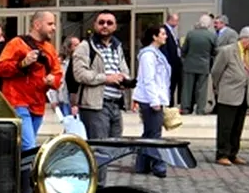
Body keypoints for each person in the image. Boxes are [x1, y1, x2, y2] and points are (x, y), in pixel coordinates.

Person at [0, 11, 62, 150]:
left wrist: (52, 80)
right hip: (17, 101)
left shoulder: (50, 49)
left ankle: (16, 170)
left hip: (37, 104)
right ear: (37, 25)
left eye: (54, 24)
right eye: (50, 24)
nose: (54, 28)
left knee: (21, 147)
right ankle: (26, 171)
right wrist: (22, 64)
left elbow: (58, 74)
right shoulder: (16, 43)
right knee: (28, 146)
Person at [71, 10, 131, 139]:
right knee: (100, 149)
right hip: (95, 106)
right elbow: (80, 74)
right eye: (101, 22)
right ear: (94, 25)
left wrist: (123, 80)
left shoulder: (117, 47)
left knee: (115, 149)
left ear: (115, 27)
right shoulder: (85, 46)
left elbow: (125, 70)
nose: (105, 25)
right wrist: (107, 78)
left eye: (109, 23)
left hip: (116, 104)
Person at [211, 27, 249, 166]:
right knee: (226, 127)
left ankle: (233, 153)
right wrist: (218, 89)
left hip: (244, 94)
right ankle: (222, 154)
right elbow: (216, 72)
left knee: (237, 127)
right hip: (228, 94)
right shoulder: (227, 51)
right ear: (244, 38)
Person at [132, 24, 172, 178]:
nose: (165, 36)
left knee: (149, 133)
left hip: (155, 98)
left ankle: (142, 164)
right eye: (162, 34)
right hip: (150, 100)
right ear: (154, 37)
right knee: (154, 134)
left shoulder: (156, 53)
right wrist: (154, 101)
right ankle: (158, 165)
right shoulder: (148, 55)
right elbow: (149, 79)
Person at [180, 15, 217, 115]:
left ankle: (185, 108)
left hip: (189, 64)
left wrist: (185, 58)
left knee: (187, 88)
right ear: (208, 24)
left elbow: (184, 49)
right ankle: (200, 109)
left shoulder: (191, 34)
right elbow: (215, 51)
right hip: (204, 65)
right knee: (202, 89)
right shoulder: (211, 36)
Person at [163, 12, 183, 107]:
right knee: (169, 87)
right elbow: (165, 48)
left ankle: (171, 105)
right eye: (176, 20)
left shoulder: (172, 31)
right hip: (170, 64)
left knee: (174, 86)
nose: (177, 23)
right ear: (170, 20)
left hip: (175, 64)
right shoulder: (165, 31)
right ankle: (168, 106)